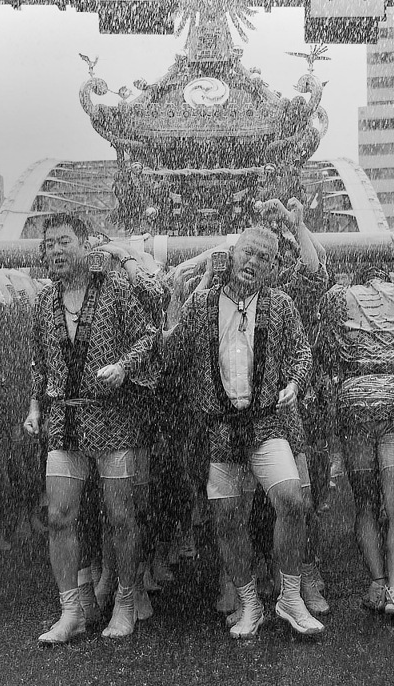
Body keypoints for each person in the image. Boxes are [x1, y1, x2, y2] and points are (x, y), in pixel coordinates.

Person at [162, 223, 323, 639]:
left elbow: (303, 350)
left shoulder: (280, 304)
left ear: (272, 267)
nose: (253, 262)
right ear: (232, 254)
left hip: (266, 421)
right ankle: (250, 604)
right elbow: (170, 351)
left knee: (291, 500)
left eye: (264, 258)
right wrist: (192, 291)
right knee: (227, 521)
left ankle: (290, 598)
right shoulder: (204, 304)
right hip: (219, 428)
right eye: (248, 253)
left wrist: (295, 381)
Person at [24, 213, 158, 644]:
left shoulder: (116, 291)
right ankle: (71, 611)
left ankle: (124, 599)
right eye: (49, 244)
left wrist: (122, 367)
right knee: (59, 515)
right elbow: (38, 361)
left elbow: (147, 338)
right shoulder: (44, 301)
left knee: (121, 516)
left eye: (64, 241)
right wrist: (33, 406)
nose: (56, 251)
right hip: (63, 420)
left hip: (113, 419)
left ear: (85, 246)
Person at [316, 235, 394, 617]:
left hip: (355, 401)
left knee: (365, 503)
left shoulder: (339, 298)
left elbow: (326, 351)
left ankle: (375, 582)